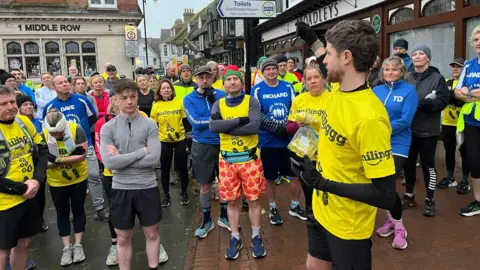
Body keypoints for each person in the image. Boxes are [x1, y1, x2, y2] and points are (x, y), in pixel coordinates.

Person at [292, 20, 397, 270]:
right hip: (322, 208)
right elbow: (328, 67)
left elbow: (386, 196)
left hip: (348, 226)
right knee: (314, 266)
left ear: (347, 57)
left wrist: (321, 182)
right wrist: (312, 40)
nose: (323, 60)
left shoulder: (370, 118)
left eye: (329, 54)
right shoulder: (340, 87)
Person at [100, 78, 167, 270]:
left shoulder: (149, 125)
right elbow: (110, 163)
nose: (129, 101)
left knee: (152, 233)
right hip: (121, 188)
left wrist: (123, 158)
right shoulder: (108, 128)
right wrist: (141, 152)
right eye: (124, 98)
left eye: (133, 97)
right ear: (116, 100)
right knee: (122, 237)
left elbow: (154, 159)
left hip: (147, 186)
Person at [209, 69, 266, 259]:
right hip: (227, 162)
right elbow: (213, 127)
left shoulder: (252, 101)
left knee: (254, 200)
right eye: (229, 79)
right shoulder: (218, 104)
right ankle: (235, 237)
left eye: (236, 79)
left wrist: (228, 129)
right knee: (232, 202)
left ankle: (256, 236)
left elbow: (254, 126)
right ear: (223, 84)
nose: (232, 82)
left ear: (242, 83)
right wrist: (240, 121)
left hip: (249, 160)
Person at [43, 76, 109, 221]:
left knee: (94, 176)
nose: (64, 84)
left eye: (66, 82)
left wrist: (81, 134)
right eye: (60, 83)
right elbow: (47, 126)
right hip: (61, 149)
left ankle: (99, 208)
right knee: (70, 181)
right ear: (54, 87)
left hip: (85, 145)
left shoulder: (82, 100)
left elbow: (93, 117)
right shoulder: (50, 106)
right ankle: (74, 212)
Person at [251, 58, 307, 225]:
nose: (271, 71)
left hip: (289, 141)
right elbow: (256, 114)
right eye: (267, 69)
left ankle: (295, 205)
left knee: (294, 175)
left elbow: (294, 108)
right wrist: (276, 128)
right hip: (268, 141)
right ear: (262, 72)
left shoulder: (287, 86)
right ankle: (272, 206)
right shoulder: (257, 89)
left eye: (273, 68)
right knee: (270, 177)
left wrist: (289, 127)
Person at [373, 55, 418, 250]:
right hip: (376, 143)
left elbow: (406, 120)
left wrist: (383, 128)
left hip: (398, 143)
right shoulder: (375, 90)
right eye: (387, 69)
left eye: (394, 69)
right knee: (380, 185)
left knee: (388, 184)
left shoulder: (409, 91)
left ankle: (400, 228)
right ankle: (391, 220)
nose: (390, 73)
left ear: (402, 72)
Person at [0, 85, 48, 270]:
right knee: (3, 250)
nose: (10, 106)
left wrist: (36, 179)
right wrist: (23, 188)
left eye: (12, 101)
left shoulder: (23, 122)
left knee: (23, 243)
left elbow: (42, 150)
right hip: (5, 203)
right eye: (3, 104)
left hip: (29, 195)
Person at [401, 44, 449, 216]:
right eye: (414, 54)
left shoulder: (437, 78)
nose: (417, 56)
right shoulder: (407, 77)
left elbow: (443, 101)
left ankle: (430, 199)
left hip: (428, 130)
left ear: (428, 57)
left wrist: (424, 104)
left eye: (421, 53)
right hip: (408, 129)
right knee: (408, 164)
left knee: (429, 166)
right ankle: (409, 195)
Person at [184, 66, 228, 238]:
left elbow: (228, 117)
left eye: (207, 77)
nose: (204, 80)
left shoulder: (222, 95)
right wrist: (216, 120)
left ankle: (224, 216)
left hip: (223, 143)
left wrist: (216, 121)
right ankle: (207, 219)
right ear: (196, 79)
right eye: (201, 77)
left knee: (225, 182)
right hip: (202, 145)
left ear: (212, 78)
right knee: (205, 185)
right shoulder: (189, 98)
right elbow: (195, 122)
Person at [43, 110, 88, 266]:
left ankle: (78, 244)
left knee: (78, 210)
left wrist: (57, 160)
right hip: (56, 181)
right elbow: (42, 160)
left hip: (78, 178)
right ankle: (66, 247)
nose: (57, 136)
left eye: (60, 133)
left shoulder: (76, 129)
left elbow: (82, 155)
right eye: (53, 134)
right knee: (61, 212)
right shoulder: (42, 134)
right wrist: (69, 157)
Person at [286, 64, 328, 215]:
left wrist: (315, 121)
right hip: (305, 152)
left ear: (324, 79)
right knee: (309, 190)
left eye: (317, 77)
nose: (313, 81)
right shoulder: (299, 100)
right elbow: (289, 126)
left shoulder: (333, 98)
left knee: (325, 190)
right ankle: (312, 217)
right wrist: (297, 124)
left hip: (327, 152)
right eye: (309, 78)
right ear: (304, 81)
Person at [150, 80, 190, 206]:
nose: (166, 90)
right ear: (159, 91)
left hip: (180, 140)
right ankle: (166, 195)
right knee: (165, 169)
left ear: (172, 90)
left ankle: (184, 192)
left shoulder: (179, 103)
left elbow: (185, 122)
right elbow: (153, 125)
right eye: (163, 88)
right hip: (164, 141)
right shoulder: (156, 106)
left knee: (182, 168)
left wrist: (188, 139)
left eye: (168, 88)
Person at [455, 25, 480, 217]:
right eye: (476, 40)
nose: (479, 43)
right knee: (474, 162)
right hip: (471, 121)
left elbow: (465, 91)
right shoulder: (469, 65)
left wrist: (469, 92)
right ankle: (478, 201)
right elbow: (457, 92)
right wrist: (474, 94)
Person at [438, 58, 470, 194]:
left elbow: (463, 100)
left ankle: (464, 180)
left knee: (465, 152)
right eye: (453, 66)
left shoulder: (466, 83)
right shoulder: (446, 82)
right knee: (449, 150)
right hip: (447, 122)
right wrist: (455, 96)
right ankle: (450, 177)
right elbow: (444, 98)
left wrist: (455, 97)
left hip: (462, 123)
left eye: (459, 66)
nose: (455, 69)